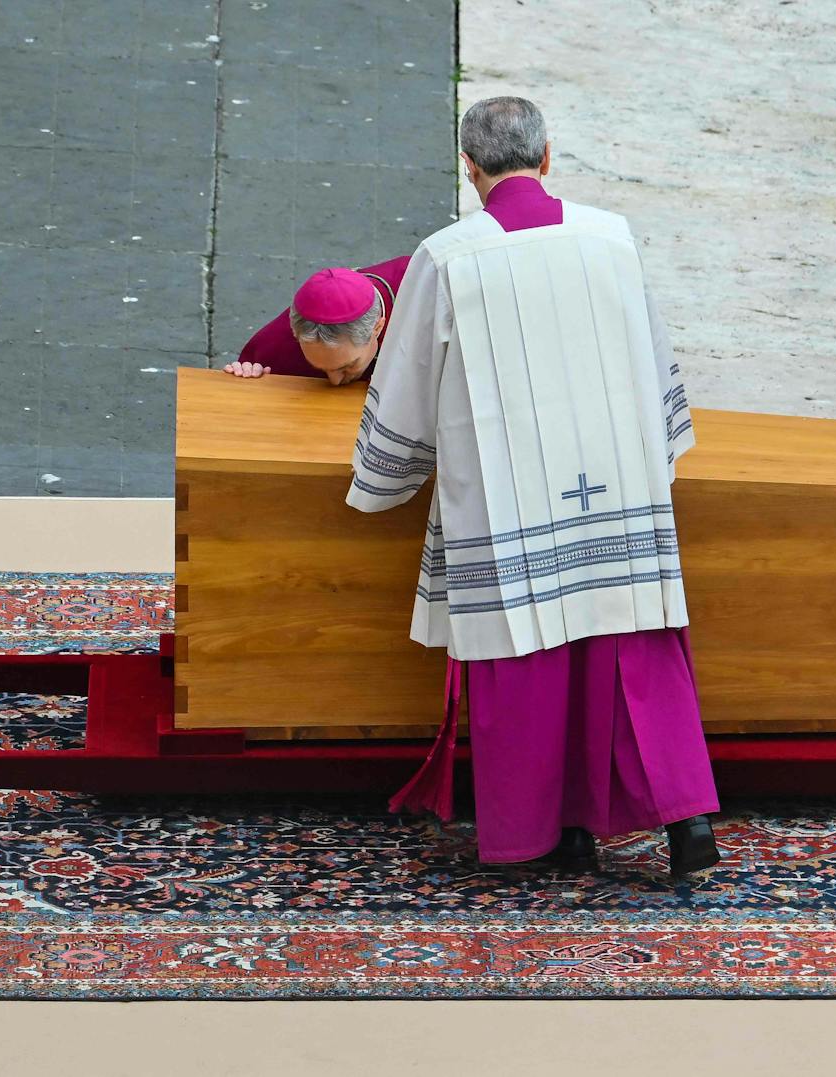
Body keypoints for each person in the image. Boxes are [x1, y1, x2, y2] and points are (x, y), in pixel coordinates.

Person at [346, 96, 721, 876]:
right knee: (632, 653)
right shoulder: (612, 237)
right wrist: (659, 453)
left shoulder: (448, 257)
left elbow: (409, 384)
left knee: (530, 662)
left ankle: (550, 835)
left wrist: (381, 476)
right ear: (548, 158)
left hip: (509, 493)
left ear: (470, 170)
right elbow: (654, 362)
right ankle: (689, 830)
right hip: (616, 478)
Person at [223, 258, 410, 386]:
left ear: (377, 327)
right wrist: (248, 376)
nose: (335, 381)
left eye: (347, 366)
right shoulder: (278, 344)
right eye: (320, 368)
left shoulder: (421, 289)